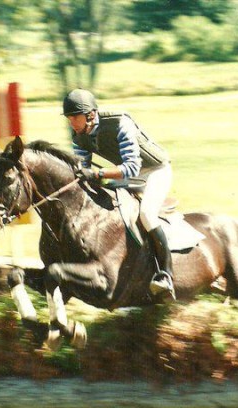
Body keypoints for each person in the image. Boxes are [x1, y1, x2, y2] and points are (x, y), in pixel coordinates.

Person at [62, 88, 175, 301]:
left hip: (154, 171)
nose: (71, 123)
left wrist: (97, 173)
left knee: (147, 214)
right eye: (69, 118)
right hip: (126, 175)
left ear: (91, 115)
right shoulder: (78, 134)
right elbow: (83, 169)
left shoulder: (120, 123)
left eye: (74, 117)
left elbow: (132, 167)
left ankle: (166, 274)